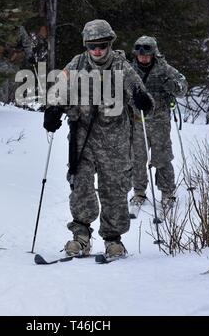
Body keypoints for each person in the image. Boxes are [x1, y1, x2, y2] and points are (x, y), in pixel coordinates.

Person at [43, 20, 154, 258]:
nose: (97, 51)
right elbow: (59, 91)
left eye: (102, 46)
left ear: (109, 44)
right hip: (82, 137)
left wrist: (142, 100)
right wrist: (53, 110)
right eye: (92, 46)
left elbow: (141, 96)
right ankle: (81, 235)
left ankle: (113, 239)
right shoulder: (76, 64)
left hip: (115, 139)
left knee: (113, 188)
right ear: (86, 45)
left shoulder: (122, 67)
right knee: (80, 184)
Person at [129, 35, 188, 210]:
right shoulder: (130, 70)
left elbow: (183, 88)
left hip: (159, 120)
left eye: (147, 54)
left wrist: (170, 84)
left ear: (153, 53)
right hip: (138, 121)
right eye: (140, 54)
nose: (143, 57)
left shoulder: (165, 69)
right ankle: (139, 191)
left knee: (162, 157)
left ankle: (167, 192)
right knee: (137, 158)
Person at [0, 9, 35, 103]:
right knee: (2, 83)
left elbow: (26, 44)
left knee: (14, 84)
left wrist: (30, 56)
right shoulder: (1, 29)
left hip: (15, 60)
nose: (14, 20)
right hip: (2, 60)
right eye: (12, 18)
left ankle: (11, 106)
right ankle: (1, 104)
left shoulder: (20, 29)